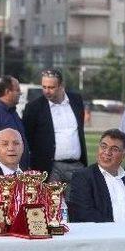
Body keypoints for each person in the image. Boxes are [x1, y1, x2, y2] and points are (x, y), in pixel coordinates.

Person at [22, 68, 87, 200]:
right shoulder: (34, 108)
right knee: (51, 210)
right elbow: (27, 138)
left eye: (51, 87)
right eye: (44, 87)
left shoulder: (76, 100)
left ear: (61, 86)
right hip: (50, 168)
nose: (47, 91)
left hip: (77, 166)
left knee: (77, 207)